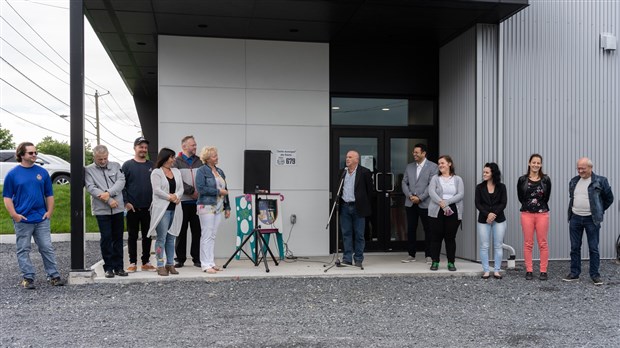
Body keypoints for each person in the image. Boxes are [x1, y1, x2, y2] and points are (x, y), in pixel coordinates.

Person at [2, 142, 64, 289]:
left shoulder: (42, 173)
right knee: (23, 249)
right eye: (31, 153)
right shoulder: (12, 174)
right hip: (23, 219)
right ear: (21, 155)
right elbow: (7, 197)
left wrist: (49, 212)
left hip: (41, 218)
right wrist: (15, 215)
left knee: (46, 247)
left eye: (35, 152)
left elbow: (49, 194)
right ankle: (28, 278)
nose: (34, 155)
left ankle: (54, 275)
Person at [563, 157, 614, 285]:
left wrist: (599, 210)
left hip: (591, 219)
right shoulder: (574, 181)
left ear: (590, 168)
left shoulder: (600, 181)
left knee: (593, 248)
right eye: (578, 168)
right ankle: (574, 274)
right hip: (575, 218)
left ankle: (595, 275)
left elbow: (609, 198)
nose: (580, 171)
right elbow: (572, 197)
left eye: (583, 168)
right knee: (575, 247)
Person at [85, 145, 128, 278]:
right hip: (101, 210)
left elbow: (121, 182)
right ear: (94, 157)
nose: (103, 161)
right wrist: (109, 200)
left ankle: (119, 267)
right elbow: (91, 188)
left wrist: (108, 193)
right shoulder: (89, 170)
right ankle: (108, 267)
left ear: (108, 155)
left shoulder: (116, 165)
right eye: (100, 159)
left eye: (105, 158)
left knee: (118, 238)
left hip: (118, 208)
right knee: (106, 238)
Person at [147, 148, 184, 276]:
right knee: (161, 238)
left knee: (171, 237)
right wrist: (170, 197)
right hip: (163, 210)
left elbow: (181, 188)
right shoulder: (156, 172)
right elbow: (156, 190)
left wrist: (177, 196)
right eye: (171, 157)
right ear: (165, 157)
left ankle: (170, 263)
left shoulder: (176, 172)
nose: (173, 159)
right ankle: (160, 264)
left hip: (175, 208)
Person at [121, 136, 156, 272]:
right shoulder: (127, 165)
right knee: (132, 236)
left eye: (145, 147)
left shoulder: (152, 165)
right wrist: (126, 202)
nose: (143, 149)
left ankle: (146, 261)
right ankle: (132, 262)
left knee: (147, 235)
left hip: (148, 207)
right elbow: (122, 185)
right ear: (135, 148)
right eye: (141, 147)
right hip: (132, 208)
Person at [195, 146, 231, 273]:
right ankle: (205, 265)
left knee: (213, 235)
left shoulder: (220, 171)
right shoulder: (201, 171)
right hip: (206, 206)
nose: (217, 157)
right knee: (206, 235)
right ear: (208, 158)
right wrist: (218, 191)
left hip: (218, 207)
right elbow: (200, 189)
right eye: (214, 155)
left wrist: (227, 207)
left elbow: (226, 190)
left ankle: (211, 262)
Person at [401, 143, 438, 264]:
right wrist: (410, 196)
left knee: (429, 229)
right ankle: (411, 254)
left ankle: (429, 255)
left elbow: (431, 185)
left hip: (425, 203)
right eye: (413, 152)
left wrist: (420, 198)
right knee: (411, 229)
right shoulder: (409, 166)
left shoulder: (433, 167)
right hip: (410, 203)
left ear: (424, 153)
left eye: (417, 152)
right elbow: (404, 182)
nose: (414, 154)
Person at [517, 154, 551, 281]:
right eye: (534, 162)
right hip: (527, 214)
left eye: (538, 163)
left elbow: (547, 197)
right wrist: (529, 206)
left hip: (542, 213)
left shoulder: (546, 179)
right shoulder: (522, 180)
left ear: (541, 165)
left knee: (542, 243)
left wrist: (538, 207)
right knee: (528, 243)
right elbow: (520, 197)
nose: (536, 165)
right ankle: (529, 270)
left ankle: (543, 271)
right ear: (529, 163)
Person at [428, 155, 464, 271]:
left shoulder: (458, 179)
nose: (440, 165)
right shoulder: (435, 178)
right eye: (439, 163)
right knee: (436, 237)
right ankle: (435, 262)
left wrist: (446, 202)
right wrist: (441, 202)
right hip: (437, 210)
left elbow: (460, 194)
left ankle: (451, 262)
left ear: (449, 164)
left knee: (450, 237)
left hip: (453, 210)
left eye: (442, 163)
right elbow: (431, 192)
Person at [338, 150, 373, 268]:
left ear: (356, 160)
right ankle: (347, 259)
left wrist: (365, 205)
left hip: (358, 207)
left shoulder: (365, 172)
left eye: (350, 157)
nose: (347, 159)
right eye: (347, 157)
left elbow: (370, 192)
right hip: (345, 207)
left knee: (359, 234)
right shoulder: (342, 172)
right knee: (346, 233)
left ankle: (358, 259)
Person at [173, 135, 202, 268]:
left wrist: (199, 193)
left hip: (197, 203)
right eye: (193, 145)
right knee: (181, 231)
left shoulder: (200, 161)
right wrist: (191, 192)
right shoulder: (176, 162)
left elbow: (204, 178)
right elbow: (177, 181)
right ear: (184, 146)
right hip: (183, 203)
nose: (195, 147)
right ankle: (180, 259)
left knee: (197, 231)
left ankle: (197, 258)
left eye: (195, 145)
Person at [475, 163, 507, 279]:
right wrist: (487, 214)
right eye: (484, 172)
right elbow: (478, 204)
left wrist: (493, 214)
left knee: (498, 245)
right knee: (484, 246)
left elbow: (503, 203)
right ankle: (486, 270)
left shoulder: (502, 187)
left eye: (487, 172)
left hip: (499, 220)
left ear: (493, 173)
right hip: (483, 220)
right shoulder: (479, 187)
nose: (484, 174)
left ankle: (497, 270)